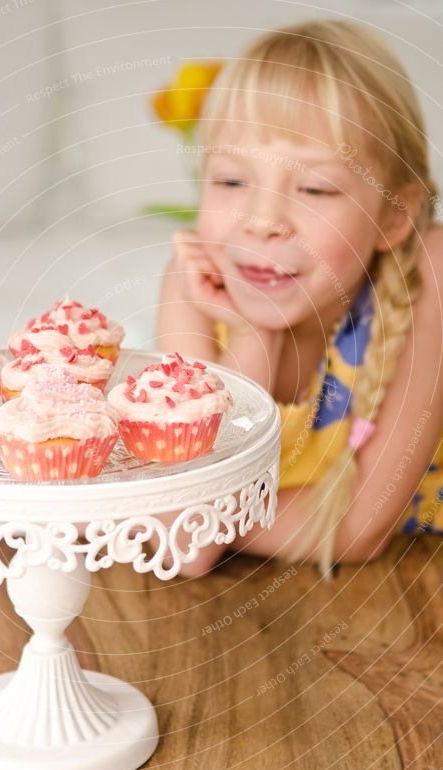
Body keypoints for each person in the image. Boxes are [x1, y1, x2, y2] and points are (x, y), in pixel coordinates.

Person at [156, 19, 443, 578]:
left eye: (315, 189)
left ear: (393, 215)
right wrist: (251, 338)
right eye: (232, 182)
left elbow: (358, 532)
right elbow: (186, 554)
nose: (263, 221)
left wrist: (185, 517)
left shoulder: (428, 273)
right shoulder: (196, 282)